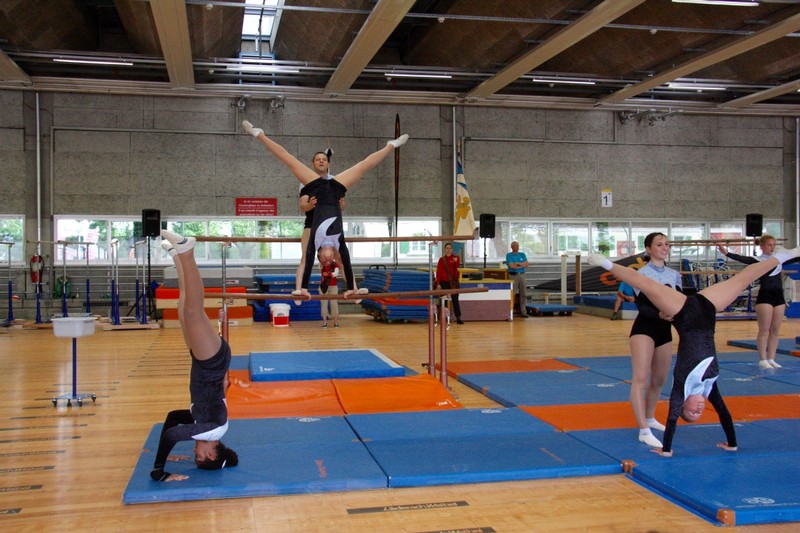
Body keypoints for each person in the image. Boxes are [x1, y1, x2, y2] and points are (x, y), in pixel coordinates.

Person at [587, 244, 800, 456]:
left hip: (682, 311)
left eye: (691, 412)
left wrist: (666, 450)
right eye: (699, 413)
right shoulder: (710, 388)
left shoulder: (682, 388)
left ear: (683, 405)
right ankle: (785, 256)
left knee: (646, 284)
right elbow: (724, 414)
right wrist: (732, 444)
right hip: (708, 307)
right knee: (743, 279)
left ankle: (605, 263)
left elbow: (672, 419)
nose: (698, 409)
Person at [242, 119, 407, 299]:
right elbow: (345, 260)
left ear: (319, 256)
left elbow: (313, 259)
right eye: (318, 159)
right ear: (313, 164)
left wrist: (304, 288)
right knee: (359, 166)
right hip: (328, 189)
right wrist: (350, 290)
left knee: (294, 160)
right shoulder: (337, 241)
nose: (329, 258)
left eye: (324, 159)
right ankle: (391, 146)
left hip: (324, 188)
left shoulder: (316, 240)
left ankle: (259, 134)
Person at [150, 229, 239, 482]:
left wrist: (167, 456)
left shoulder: (206, 425)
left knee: (183, 308)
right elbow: (172, 435)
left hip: (206, 364)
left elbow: (173, 419)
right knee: (193, 311)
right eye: (198, 457)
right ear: (211, 454)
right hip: (211, 364)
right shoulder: (211, 431)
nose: (194, 453)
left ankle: (177, 257)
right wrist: (159, 471)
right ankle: (187, 252)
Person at [627, 232, 682, 449]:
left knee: (659, 380)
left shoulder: (674, 275)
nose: (664, 247)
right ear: (649, 249)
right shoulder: (641, 274)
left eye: (667, 244)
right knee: (640, 379)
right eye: (659, 244)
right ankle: (643, 430)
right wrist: (659, 314)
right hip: (644, 329)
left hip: (664, 331)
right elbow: (642, 306)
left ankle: (650, 418)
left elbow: (680, 302)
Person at [718, 235, 795, 369]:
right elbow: (743, 258)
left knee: (775, 330)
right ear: (762, 246)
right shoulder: (758, 260)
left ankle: (771, 358)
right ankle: (763, 359)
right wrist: (727, 253)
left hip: (779, 297)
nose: (772, 247)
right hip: (765, 297)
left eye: (774, 245)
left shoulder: (778, 260)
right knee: (764, 330)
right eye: (769, 245)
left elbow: (795, 258)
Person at [435, 242, 464, 324]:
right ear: (445, 249)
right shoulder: (441, 260)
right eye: (447, 248)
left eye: (450, 248)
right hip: (444, 282)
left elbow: (457, 267)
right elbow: (438, 272)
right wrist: (438, 283)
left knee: (455, 300)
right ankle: (443, 317)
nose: (448, 250)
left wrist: (455, 262)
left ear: (452, 249)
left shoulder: (456, 258)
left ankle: (458, 318)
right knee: (444, 300)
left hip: (454, 282)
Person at [506, 241, 529, 318]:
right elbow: (512, 266)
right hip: (513, 276)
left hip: (522, 275)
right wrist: (521, 264)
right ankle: (510, 312)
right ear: (512, 247)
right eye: (515, 246)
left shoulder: (522, 254)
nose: (517, 247)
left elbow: (527, 264)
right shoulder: (509, 255)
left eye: (518, 245)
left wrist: (518, 264)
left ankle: (523, 311)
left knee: (523, 294)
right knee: (512, 294)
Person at [319, 257, 340, 328]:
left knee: (334, 303)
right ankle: (325, 322)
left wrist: (329, 274)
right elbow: (320, 267)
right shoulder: (322, 264)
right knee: (323, 303)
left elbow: (336, 273)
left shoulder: (335, 264)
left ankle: (336, 322)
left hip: (333, 286)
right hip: (324, 286)